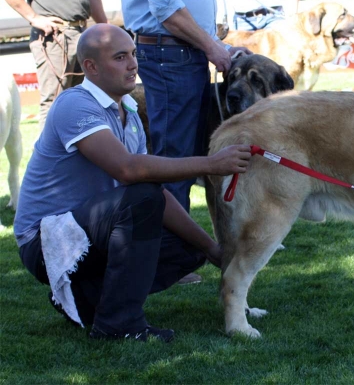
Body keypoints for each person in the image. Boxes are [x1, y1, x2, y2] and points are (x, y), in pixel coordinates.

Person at [14, 24, 252, 342]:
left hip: (88, 233)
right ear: (91, 67)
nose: (133, 64)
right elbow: (129, 171)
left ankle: (87, 299)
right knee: (142, 198)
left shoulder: (128, 112)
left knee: (187, 246)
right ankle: (119, 324)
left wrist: (211, 249)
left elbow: (157, 192)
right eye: (120, 57)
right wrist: (211, 164)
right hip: (44, 243)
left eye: (133, 54)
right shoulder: (74, 104)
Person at [119, 0, 250, 284]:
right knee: (174, 161)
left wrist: (215, 45)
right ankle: (168, 260)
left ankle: (176, 256)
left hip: (177, 55)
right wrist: (213, 48)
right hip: (170, 55)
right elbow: (166, 10)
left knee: (184, 160)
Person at [0, 0, 107, 131]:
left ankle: (77, 156)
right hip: (55, 36)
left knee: (83, 101)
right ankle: (47, 158)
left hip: (81, 33)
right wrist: (34, 18)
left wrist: (106, 28)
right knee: (54, 103)